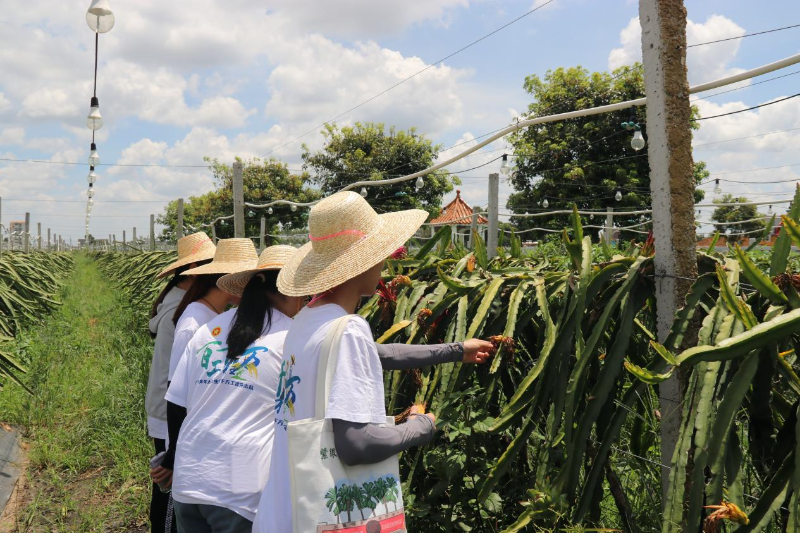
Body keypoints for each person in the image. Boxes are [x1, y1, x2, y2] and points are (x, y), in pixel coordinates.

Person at [252, 191, 493, 532]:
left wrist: (457, 350)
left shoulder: (308, 319)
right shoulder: (348, 329)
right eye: (379, 254)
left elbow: (381, 354)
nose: (384, 263)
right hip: (320, 520)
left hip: (281, 512)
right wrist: (420, 427)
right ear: (362, 261)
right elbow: (357, 445)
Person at [151, 245, 303, 533]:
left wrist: (173, 460)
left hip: (190, 481)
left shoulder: (210, 330)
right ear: (292, 289)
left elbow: (176, 401)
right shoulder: (291, 337)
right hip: (240, 490)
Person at [145, 232, 215, 533]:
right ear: (199, 270)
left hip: (162, 406)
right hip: (171, 409)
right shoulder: (186, 311)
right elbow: (180, 381)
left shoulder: (178, 300)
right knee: (172, 487)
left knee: (167, 488)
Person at [166, 238, 259, 383]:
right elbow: (175, 385)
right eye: (248, 279)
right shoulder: (193, 323)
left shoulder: (214, 314)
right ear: (231, 280)